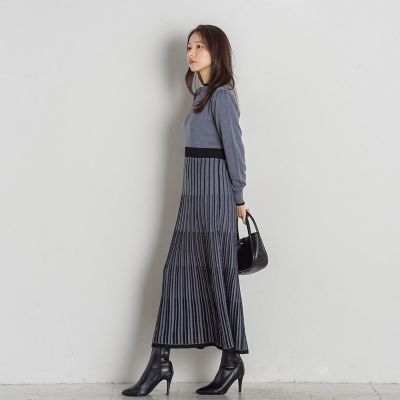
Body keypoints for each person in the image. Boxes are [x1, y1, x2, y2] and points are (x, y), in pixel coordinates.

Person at [122, 24, 250, 397]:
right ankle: (163, 361)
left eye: (200, 47)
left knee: (218, 273)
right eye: (189, 46)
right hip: (194, 197)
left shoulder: (221, 96)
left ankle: (228, 360)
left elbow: (235, 149)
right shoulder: (201, 94)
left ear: (216, 52)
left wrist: (239, 197)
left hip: (215, 197)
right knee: (177, 273)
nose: (191, 53)